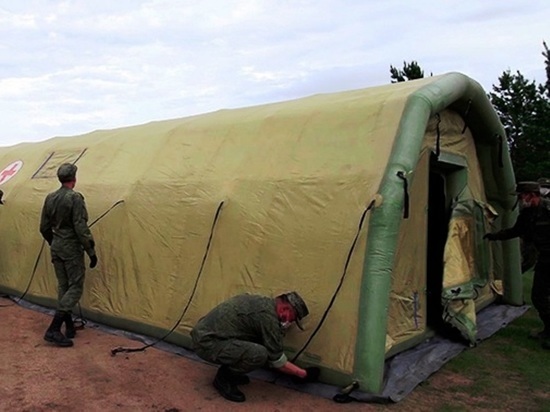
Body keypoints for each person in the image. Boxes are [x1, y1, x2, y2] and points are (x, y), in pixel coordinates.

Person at [191, 291, 320, 402]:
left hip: (206, 336)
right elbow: (276, 360)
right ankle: (224, 378)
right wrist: (302, 373)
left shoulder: (263, 303)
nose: (290, 322)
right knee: (259, 354)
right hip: (207, 345)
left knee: (261, 344)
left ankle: (232, 372)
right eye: (292, 318)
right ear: (285, 309)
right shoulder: (268, 318)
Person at [484, 181, 550, 350]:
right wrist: (493, 236)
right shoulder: (527, 214)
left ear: (532, 195)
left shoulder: (548, 209)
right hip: (545, 260)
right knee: (538, 296)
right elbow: (516, 231)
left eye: (522, 196)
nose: (520, 200)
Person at [39, 163, 98, 347]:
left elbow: (44, 228)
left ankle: (69, 326)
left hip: (56, 247)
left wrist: (54, 242)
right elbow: (80, 228)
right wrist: (91, 251)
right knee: (75, 287)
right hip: (71, 249)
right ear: (74, 178)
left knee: (63, 286)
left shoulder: (50, 198)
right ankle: (54, 329)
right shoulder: (75, 198)